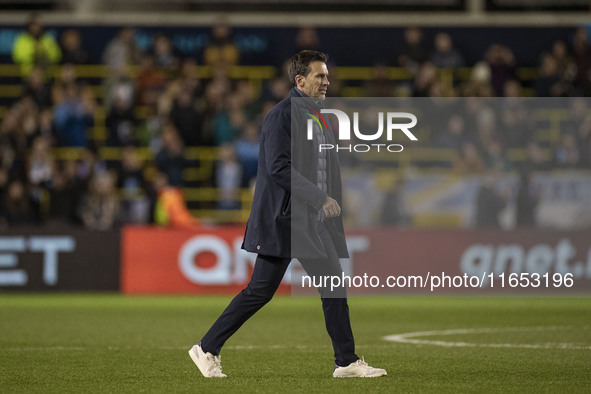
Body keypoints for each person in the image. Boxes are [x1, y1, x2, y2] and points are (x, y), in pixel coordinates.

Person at [188, 50, 386, 378]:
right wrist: (320, 197)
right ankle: (207, 347)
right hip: (285, 220)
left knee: (331, 285)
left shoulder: (314, 115)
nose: (326, 81)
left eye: (326, 76)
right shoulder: (283, 115)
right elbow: (278, 167)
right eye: (320, 76)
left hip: (306, 221)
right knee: (261, 291)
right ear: (300, 80)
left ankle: (346, 361)